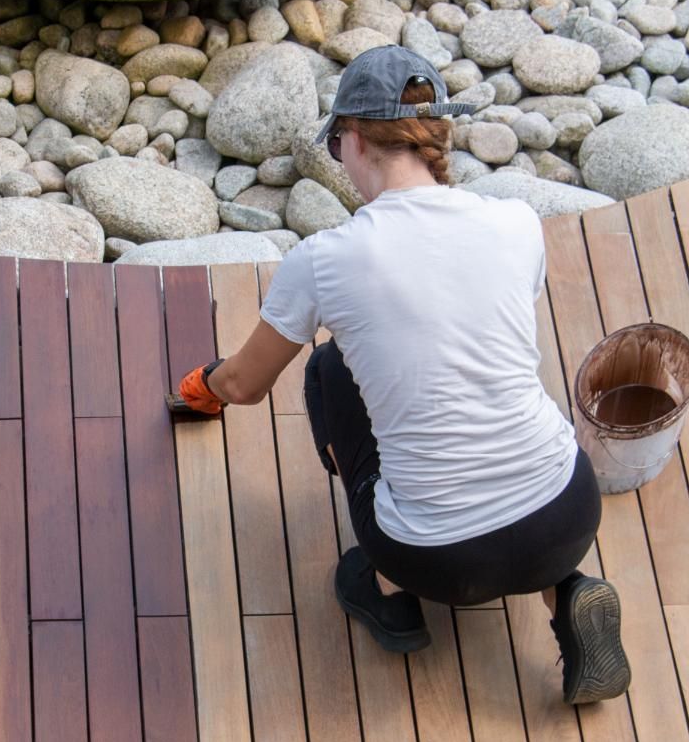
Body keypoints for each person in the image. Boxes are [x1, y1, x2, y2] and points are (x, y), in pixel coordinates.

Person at [176, 44, 631, 705]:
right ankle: (566, 587)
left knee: (330, 366)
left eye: (336, 147)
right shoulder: (514, 221)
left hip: (435, 558)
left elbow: (244, 387)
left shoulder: (325, 259)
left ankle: (392, 599)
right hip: (568, 509)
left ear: (355, 139)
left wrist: (203, 386)